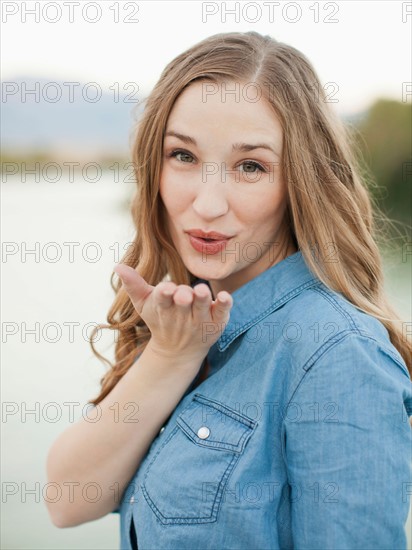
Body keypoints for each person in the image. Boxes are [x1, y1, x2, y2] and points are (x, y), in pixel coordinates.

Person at [45, 31, 412, 549]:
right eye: (184, 156)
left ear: (301, 182)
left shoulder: (337, 355)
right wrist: (171, 356)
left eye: (251, 166)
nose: (208, 203)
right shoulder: (188, 321)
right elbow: (67, 500)